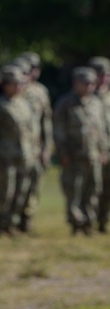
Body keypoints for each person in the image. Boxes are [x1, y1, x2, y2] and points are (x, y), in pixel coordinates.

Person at [53, 66, 105, 235]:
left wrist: (103, 150)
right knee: (73, 191)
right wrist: (63, 153)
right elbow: (58, 131)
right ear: (76, 83)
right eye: (85, 83)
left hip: (93, 155)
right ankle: (76, 224)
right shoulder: (65, 104)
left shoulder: (96, 103)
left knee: (92, 190)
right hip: (73, 156)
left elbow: (101, 130)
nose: (89, 86)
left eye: (92, 83)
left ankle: (89, 223)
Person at [13, 52, 52, 233]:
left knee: (33, 187)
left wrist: (46, 148)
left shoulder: (40, 92)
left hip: (36, 149)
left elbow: (45, 122)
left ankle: (26, 220)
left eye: (32, 70)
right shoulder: (10, 93)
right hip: (13, 150)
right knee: (12, 187)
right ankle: (10, 220)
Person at [0, 63, 36, 237]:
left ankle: (12, 223)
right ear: (5, 84)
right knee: (5, 192)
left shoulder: (24, 104)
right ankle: (2, 224)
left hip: (24, 155)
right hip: (5, 157)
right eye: (14, 83)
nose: (19, 87)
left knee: (21, 191)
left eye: (20, 83)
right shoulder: (1, 105)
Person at [89, 58, 110, 233]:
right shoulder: (88, 97)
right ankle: (90, 222)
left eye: (108, 75)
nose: (105, 78)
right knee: (94, 189)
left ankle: (105, 222)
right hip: (95, 152)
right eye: (101, 74)